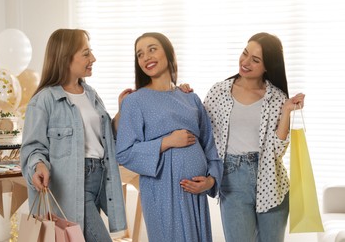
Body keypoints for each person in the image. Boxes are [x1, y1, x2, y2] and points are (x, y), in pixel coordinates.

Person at [20, 28, 132, 242]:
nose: (93, 59)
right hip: (72, 184)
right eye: (86, 53)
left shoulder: (90, 94)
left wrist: (122, 112)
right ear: (65, 57)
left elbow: (105, 136)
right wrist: (39, 166)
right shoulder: (44, 101)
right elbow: (33, 148)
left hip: (101, 179)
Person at [115, 32, 223, 242]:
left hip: (196, 193)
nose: (146, 57)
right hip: (162, 191)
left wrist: (210, 181)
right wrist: (167, 142)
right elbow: (124, 152)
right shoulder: (135, 101)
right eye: (140, 54)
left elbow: (210, 147)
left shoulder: (190, 98)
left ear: (168, 52)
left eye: (152, 49)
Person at [203, 32, 305, 242]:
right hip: (232, 181)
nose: (245, 62)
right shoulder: (219, 92)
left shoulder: (276, 97)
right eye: (245, 53)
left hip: (271, 181)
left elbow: (277, 150)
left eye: (255, 60)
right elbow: (202, 132)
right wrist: (185, 94)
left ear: (268, 66)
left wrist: (286, 110)